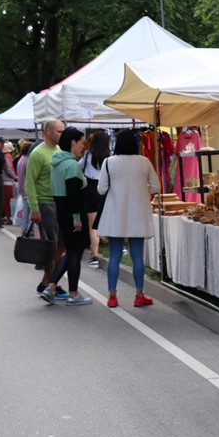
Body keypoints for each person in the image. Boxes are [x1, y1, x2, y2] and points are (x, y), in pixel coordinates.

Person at [97, 129, 161, 308]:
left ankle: (112, 296)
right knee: (137, 256)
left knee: (115, 255)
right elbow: (156, 186)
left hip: (115, 213)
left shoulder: (109, 162)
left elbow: (101, 189)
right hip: (137, 213)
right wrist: (140, 191)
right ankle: (139, 294)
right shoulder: (144, 162)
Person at [39, 127, 92, 306]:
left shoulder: (57, 162)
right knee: (75, 253)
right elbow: (73, 193)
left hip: (62, 211)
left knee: (71, 252)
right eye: (81, 142)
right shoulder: (71, 165)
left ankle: (51, 287)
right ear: (73, 142)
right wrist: (77, 217)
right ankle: (72, 293)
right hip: (73, 213)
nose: (83, 146)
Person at [25, 119, 69, 299]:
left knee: (61, 245)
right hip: (45, 204)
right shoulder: (37, 153)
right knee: (51, 245)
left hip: (60, 204)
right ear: (48, 132)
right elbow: (30, 182)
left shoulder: (59, 151)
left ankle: (47, 282)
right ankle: (51, 284)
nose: (62, 134)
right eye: (59, 131)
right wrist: (34, 208)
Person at [79, 131, 110, 268]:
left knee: (93, 226)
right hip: (106, 190)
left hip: (90, 190)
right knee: (108, 221)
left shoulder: (87, 155)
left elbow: (78, 167)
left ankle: (95, 256)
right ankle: (118, 247)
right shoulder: (110, 157)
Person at [15, 139, 33, 231]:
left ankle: (24, 227)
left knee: (26, 208)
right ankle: (28, 228)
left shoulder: (21, 159)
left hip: (21, 186)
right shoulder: (27, 161)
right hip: (26, 187)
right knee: (29, 209)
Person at [1, 141, 17, 225]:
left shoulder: (0, 157)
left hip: (1, 180)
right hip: (7, 181)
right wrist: (14, 177)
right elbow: (9, 169)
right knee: (8, 201)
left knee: (3, 200)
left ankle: (2, 216)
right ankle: (8, 217)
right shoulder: (7, 157)